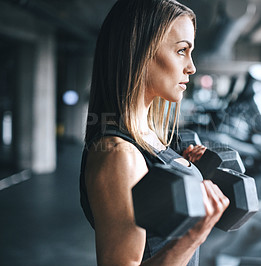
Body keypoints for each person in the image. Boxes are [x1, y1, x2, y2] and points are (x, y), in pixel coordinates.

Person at [79, 0, 230, 265]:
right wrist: (193, 236)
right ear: (140, 51)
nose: (191, 67)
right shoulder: (119, 155)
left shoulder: (148, 137)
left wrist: (182, 171)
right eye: (182, 50)